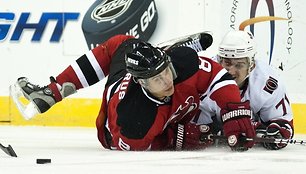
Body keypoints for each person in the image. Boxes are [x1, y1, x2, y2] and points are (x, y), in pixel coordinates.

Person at [12, 33, 255, 151]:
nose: (167, 82)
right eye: (158, 80)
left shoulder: (182, 64)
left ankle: (53, 91)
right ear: (143, 84)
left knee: (121, 43)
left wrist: (234, 111)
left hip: (151, 72)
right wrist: (172, 138)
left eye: (166, 71)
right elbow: (119, 143)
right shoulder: (133, 123)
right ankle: (159, 51)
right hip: (117, 117)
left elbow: (217, 75)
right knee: (118, 48)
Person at [199, 30, 294, 150]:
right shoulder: (204, 78)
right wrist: (207, 129)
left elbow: (283, 121)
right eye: (227, 63)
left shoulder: (266, 83)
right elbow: (195, 122)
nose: (231, 72)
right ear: (219, 61)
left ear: (252, 66)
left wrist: (277, 131)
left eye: (239, 65)